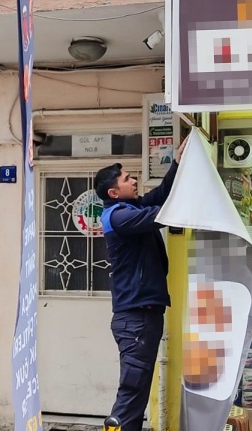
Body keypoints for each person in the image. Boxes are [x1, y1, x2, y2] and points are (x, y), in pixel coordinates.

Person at [95, 141, 186, 431]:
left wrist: (177, 163)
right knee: (132, 393)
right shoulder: (118, 216)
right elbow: (157, 214)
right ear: (113, 192)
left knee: (137, 394)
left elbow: (160, 195)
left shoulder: (127, 208)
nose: (133, 180)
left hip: (143, 317)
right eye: (127, 179)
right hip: (135, 319)